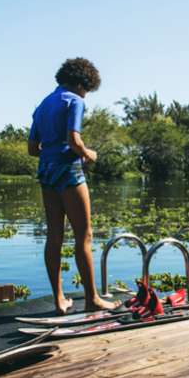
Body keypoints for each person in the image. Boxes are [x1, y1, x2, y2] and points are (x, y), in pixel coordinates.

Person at [28, 57, 119, 314]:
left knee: (54, 235)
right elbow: (74, 140)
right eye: (87, 90)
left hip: (46, 172)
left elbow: (32, 149)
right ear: (81, 83)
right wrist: (88, 154)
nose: (86, 95)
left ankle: (59, 300)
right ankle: (92, 299)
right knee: (84, 236)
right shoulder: (74, 101)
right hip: (69, 171)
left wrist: (52, 150)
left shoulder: (43, 105)